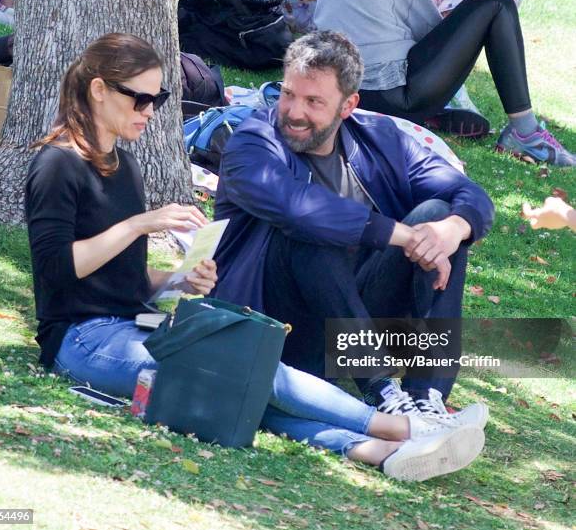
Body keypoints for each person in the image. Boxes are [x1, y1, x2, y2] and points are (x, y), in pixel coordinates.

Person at [25, 33, 485, 482]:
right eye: (139, 99)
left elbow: (117, 279)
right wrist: (140, 225)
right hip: (83, 338)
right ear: (99, 90)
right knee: (239, 374)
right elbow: (57, 272)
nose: (149, 111)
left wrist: (177, 280)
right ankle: (399, 425)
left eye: (156, 99)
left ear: (348, 106)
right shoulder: (59, 164)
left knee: (439, 222)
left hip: (143, 323)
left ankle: (388, 443)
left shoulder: (124, 166)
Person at [212, 30, 495, 417]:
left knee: (436, 220)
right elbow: (298, 207)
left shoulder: (382, 140)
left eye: (314, 101)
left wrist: (455, 227)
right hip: (274, 325)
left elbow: (469, 192)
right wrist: (398, 233)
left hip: (353, 326)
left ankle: (427, 399)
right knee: (309, 230)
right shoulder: (252, 143)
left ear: (348, 105)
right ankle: (381, 392)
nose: (294, 112)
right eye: (289, 94)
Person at [313, 0, 575, 166]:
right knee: (498, 4)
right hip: (386, 94)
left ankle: (439, 110)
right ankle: (525, 134)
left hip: (336, 87)